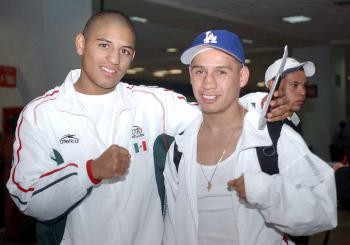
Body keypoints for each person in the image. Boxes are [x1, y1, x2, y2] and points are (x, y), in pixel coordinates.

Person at [6, 11, 288, 245]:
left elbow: (212, 111)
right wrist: (90, 172)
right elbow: (26, 197)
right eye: (104, 45)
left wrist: (265, 101)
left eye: (124, 51)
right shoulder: (41, 114)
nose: (114, 60)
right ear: (81, 44)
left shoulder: (151, 103)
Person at [163, 29, 337, 245]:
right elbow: (173, 227)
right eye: (200, 72)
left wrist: (268, 192)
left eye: (221, 72)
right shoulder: (179, 149)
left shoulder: (274, 139)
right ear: (190, 75)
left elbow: (324, 211)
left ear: (242, 76)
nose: (208, 83)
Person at [264, 57, 315, 134]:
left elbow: (297, 123)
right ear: (273, 85)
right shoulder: (261, 124)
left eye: (304, 85)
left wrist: (291, 115)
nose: (303, 92)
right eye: (295, 85)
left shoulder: (292, 117)